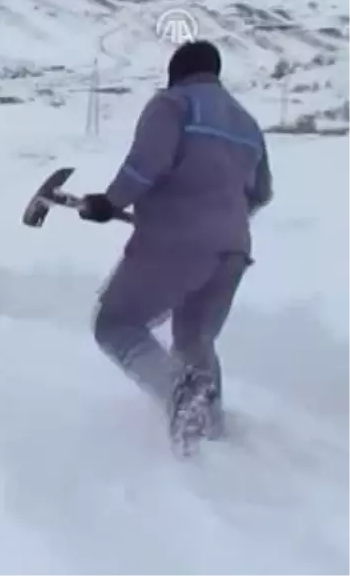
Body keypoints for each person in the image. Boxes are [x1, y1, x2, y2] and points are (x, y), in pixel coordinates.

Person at [77, 39, 273, 450]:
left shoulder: (174, 105)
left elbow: (146, 164)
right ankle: (213, 432)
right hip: (233, 251)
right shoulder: (248, 124)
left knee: (116, 324)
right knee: (194, 338)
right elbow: (261, 192)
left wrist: (109, 203)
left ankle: (179, 392)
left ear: (177, 72)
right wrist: (222, 215)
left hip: (175, 244)